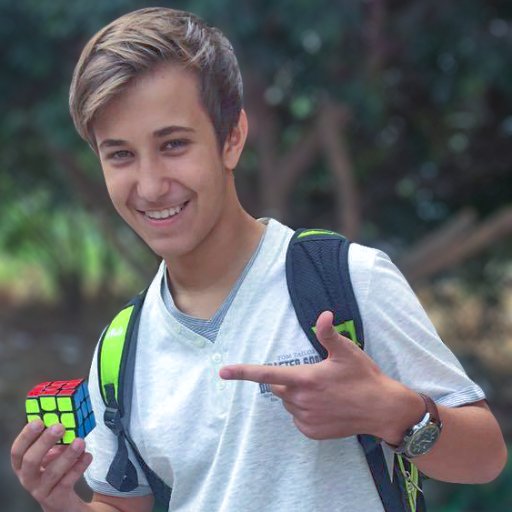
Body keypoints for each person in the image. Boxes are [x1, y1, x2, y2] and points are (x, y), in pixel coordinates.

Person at [10, 7, 507, 512]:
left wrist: (394, 413)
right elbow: (120, 504)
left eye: (174, 144)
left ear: (232, 138)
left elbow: (486, 457)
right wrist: (64, 503)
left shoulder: (347, 280)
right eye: (120, 154)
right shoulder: (120, 349)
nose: (151, 185)